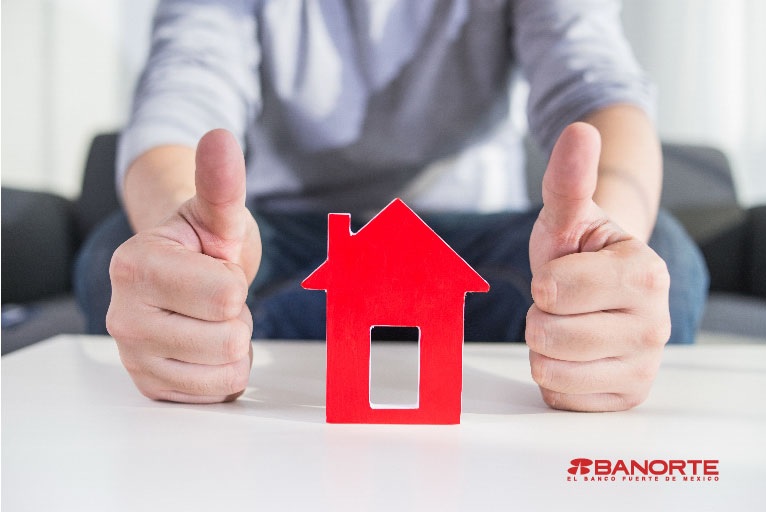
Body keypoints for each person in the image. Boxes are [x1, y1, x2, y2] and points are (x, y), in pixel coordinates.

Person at [74, 0, 708, 410]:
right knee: (117, 251)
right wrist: (186, 243)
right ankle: (219, 337)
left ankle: (569, 341)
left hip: (472, 237)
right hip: (292, 234)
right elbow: (183, 87)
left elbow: (596, 79)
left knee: (664, 256)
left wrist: (606, 251)